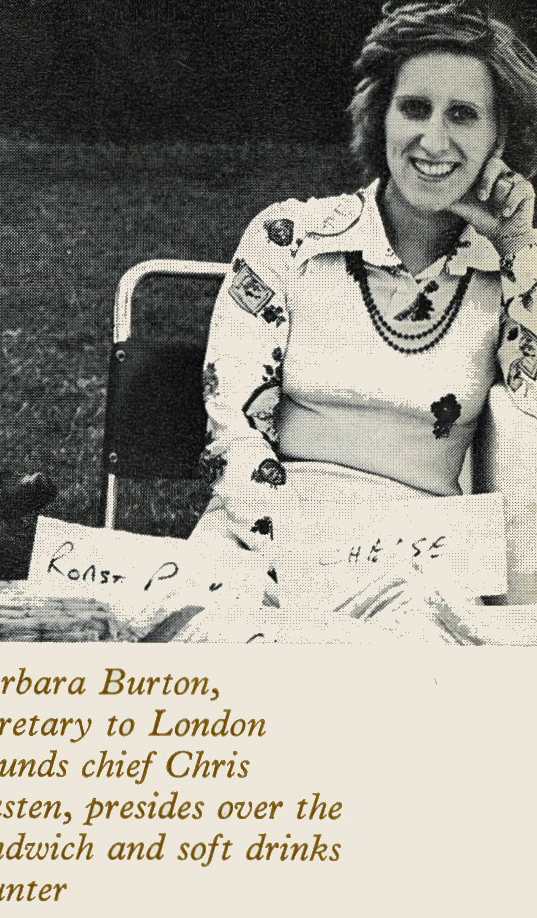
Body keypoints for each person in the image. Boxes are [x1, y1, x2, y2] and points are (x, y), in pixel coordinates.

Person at [191, 0, 537, 615]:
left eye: (463, 115)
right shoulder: (289, 239)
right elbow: (234, 433)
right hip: (261, 544)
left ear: (499, 137)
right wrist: (298, 565)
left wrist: (519, 250)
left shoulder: (508, 271)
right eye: (415, 108)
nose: (434, 140)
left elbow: (532, 406)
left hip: (423, 561)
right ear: (381, 118)